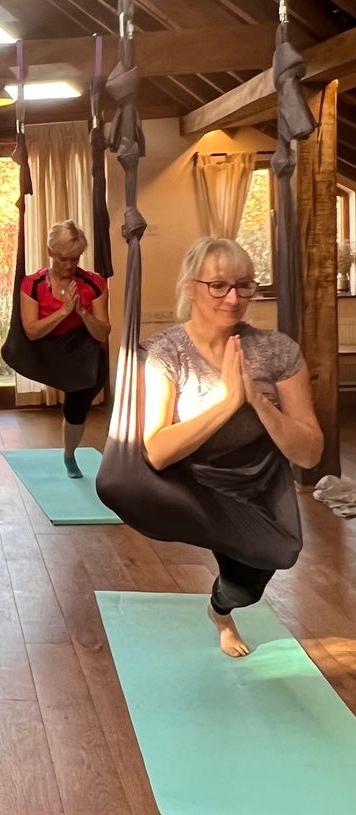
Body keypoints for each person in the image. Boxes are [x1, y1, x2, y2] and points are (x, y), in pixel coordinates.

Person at [143, 236, 322, 658]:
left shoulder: (277, 351)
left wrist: (258, 402)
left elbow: (310, 452)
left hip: (257, 478)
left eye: (244, 285)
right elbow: (157, 449)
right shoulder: (167, 352)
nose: (233, 297)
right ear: (191, 287)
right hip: (194, 481)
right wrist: (227, 402)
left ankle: (220, 611)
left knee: (256, 576)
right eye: (219, 285)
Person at [20, 219, 111, 478]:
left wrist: (82, 311)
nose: (70, 265)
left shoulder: (93, 283)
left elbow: (103, 331)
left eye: (75, 259)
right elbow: (32, 331)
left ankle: (69, 454)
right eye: (64, 259)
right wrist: (63, 311)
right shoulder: (33, 284)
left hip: (81, 349)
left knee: (77, 406)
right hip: (45, 347)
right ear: (51, 253)